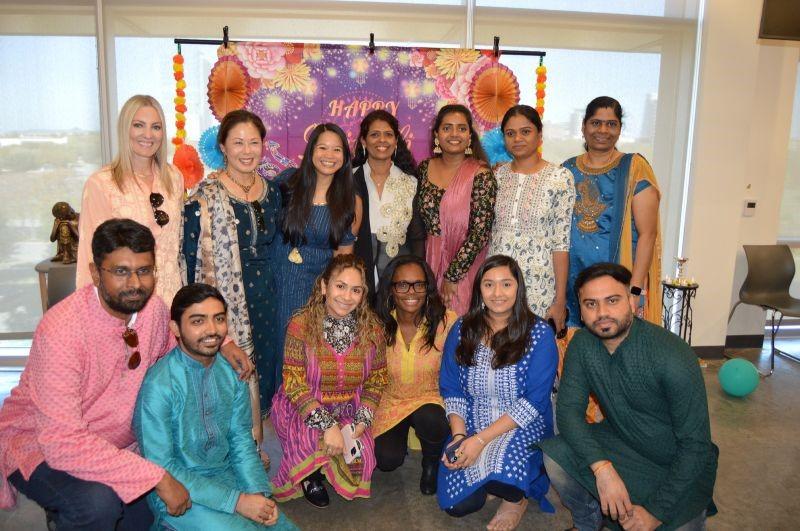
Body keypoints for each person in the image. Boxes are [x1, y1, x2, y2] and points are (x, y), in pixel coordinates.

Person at [0, 219, 191, 529]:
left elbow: (178, 354)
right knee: (97, 504)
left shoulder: (152, 310)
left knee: (153, 516)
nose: (135, 283)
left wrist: (221, 343)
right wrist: (156, 477)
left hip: (118, 446)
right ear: (94, 273)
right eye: (120, 271)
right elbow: (62, 442)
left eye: (144, 270)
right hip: (39, 443)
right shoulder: (63, 330)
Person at [540, 263, 718, 531]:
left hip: (674, 463)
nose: (602, 313)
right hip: (620, 443)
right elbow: (568, 413)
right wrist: (602, 470)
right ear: (581, 308)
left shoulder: (673, 355)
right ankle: (588, 522)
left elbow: (696, 446)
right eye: (591, 304)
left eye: (612, 301)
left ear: (632, 301)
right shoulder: (582, 345)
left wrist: (656, 513)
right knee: (556, 455)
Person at [134, 283, 298, 530]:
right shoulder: (159, 385)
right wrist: (238, 502)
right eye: (198, 321)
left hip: (227, 476)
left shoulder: (231, 374)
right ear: (175, 328)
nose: (212, 330)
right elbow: (162, 466)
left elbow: (241, 440)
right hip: (180, 492)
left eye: (218, 319)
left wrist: (258, 494)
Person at [438, 254, 558, 530]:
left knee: (509, 479)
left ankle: (516, 500)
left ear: (518, 288)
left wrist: (480, 441)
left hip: (519, 423)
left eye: (506, 284)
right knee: (457, 506)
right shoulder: (462, 328)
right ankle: (492, 480)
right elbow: (452, 387)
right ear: (479, 289)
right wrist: (459, 436)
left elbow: (534, 402)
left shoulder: (538, 334)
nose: (498, 293)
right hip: (472, 420)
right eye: (489, 284)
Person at [184, 109, 282, 428]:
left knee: (265, 373)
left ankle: (255, 439)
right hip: (224, 306)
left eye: (254, 142)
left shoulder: (274, 193)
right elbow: (190, 265)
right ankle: (234, 445)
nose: (247, 150)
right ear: (223, 146)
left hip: (269, 301)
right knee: (229, 377)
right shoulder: (203, 199)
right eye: (238, 142)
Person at [270, 255, 387, 508]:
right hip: (304, 406)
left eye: (356, 290)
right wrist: (327, 425)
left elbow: (377, 378)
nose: (347, 297)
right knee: (311, 440)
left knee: (361, 458)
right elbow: (293, 381)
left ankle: (326, 463)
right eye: (340, 286)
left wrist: (362, 419)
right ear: (324, 286)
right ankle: (311, 476)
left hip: (349, 408)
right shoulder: (300, 324)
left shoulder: (373, 329)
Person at [271, 123, 363, 381]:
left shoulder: (349, 201)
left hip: (315, 289)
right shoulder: (287, 182)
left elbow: (344, 259)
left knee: (305, 352)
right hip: (276, 282)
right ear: (311, 150)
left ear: (345, 157)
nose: (329, 155)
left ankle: (303, 413)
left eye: (337, 150)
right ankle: (279, 411)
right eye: (322, 147)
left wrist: (335, 298)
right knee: (276, 347)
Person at [562, 96, 661, 330]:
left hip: (620, 283)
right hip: (572, 281)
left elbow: (648, 235)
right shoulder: (567, 169)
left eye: (611, 124)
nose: (603, 130)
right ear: (584, 127)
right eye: (596, 123)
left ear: (619, 129)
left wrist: (635, 290)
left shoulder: (634, 168)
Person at [76, 95, 184, 306]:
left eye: (156, 127)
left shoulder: (174, 178)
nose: (148, 134)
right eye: (138, 125)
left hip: (171, 300)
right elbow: (89, 255)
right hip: (127, 302)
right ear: (125, 129)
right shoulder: (102, 183)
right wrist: (89, 310)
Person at [372, 255, 456, 495]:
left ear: (427, 288)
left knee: (432, 420)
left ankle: (431, 463)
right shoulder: (376, 323)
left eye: (419, 284)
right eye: (402, 285)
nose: (412, 292)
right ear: (390, 289)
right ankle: (402, 439)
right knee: (386, 460)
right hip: (390, 401)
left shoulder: (447, 322)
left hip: (429, 399)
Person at [489, 105, 575, 331]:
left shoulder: (560, 177)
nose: (518, 138)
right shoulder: (495, 176)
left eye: (525, 131)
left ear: (539, 135)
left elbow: (561, 242)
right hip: (496, 286)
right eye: (510, 133)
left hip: (539, 286)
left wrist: (559, 300)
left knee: (532, 353)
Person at [417, 104, 497, 315]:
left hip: (464, 265)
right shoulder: (424, 168)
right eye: (447, 128)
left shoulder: (481, 174)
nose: (454, 134)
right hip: (429, 258)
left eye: (461, 128)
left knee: (458, 327)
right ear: (437, 134)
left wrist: (452, 277)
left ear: (470, 136)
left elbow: (480, 233)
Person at [352, 110, 426, 295]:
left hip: (398, 280)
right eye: (374, 134)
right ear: (363, 141)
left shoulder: (410, 183)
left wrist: (415, 278)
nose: (382, 140)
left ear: (396, 141)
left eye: (388, 134)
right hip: (356, 276)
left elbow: (417, 237)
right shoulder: (348, 179)